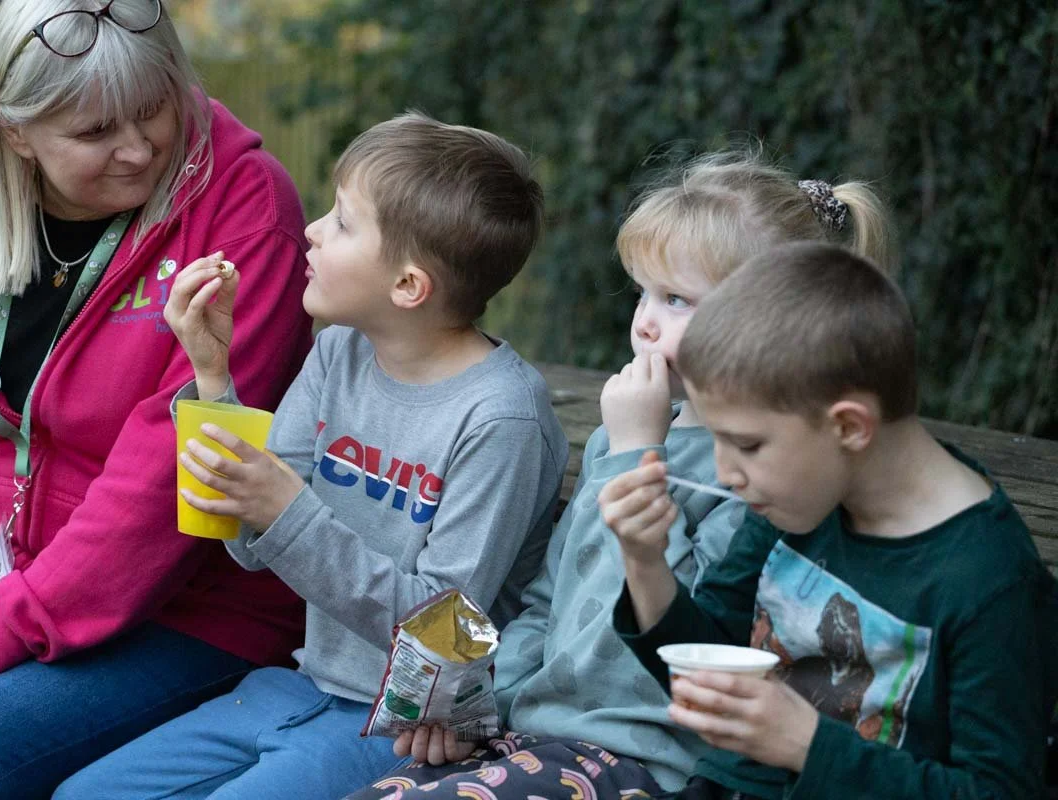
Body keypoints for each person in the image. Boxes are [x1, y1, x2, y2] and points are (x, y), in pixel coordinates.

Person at [0, 1, 313, 797]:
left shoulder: (243, 212)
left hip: (181, 609)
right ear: (14, 129)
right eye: (95, 132)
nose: (138, 150)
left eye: (154, 110)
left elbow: (167, 474)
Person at [342, 152, 897, 799]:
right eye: (643, 291)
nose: (645, 320)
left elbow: (677, 639)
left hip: (644, 759)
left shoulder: (760, 472)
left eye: (677, 299)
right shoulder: (622, 431)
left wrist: (638, 454)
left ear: (774, 323)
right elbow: (548, 601)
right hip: (537, 740)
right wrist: (482, 708)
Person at [54, 111, 569, 799]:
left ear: (409, 287)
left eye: (345, 223)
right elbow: (245, 543)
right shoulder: (337, 353)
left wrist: (286, 511)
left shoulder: (500, 417)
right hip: (300, 684)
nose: (314, 230)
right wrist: (211, 374)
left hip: (404, 727)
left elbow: (446, 637)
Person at [603, 241, 1058, 799]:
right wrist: (644, 561)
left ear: (848, 427)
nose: (727, 471)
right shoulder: (799, 502)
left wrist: (807, 745)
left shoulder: (987, 581)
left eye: (746, 444)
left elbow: (1001, 791)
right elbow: (706, 672)